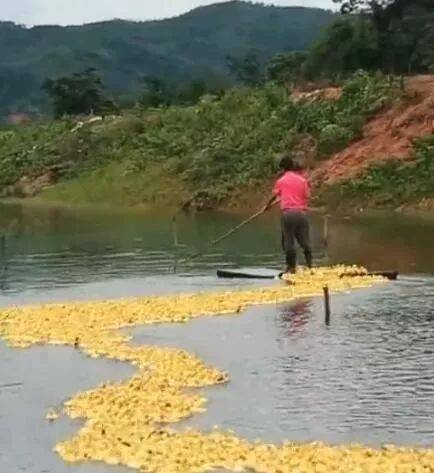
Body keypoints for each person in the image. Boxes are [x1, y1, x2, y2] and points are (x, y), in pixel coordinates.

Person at [263, 156, 313, 273]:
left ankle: (291, 267)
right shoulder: (302, 180)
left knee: (288, 241)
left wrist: (267, 206)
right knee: (305, 241)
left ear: (282, 169)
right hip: (301, 213)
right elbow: (306, 196)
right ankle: (310, 265)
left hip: (288, 214)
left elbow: (274, 196)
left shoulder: (281, 181)